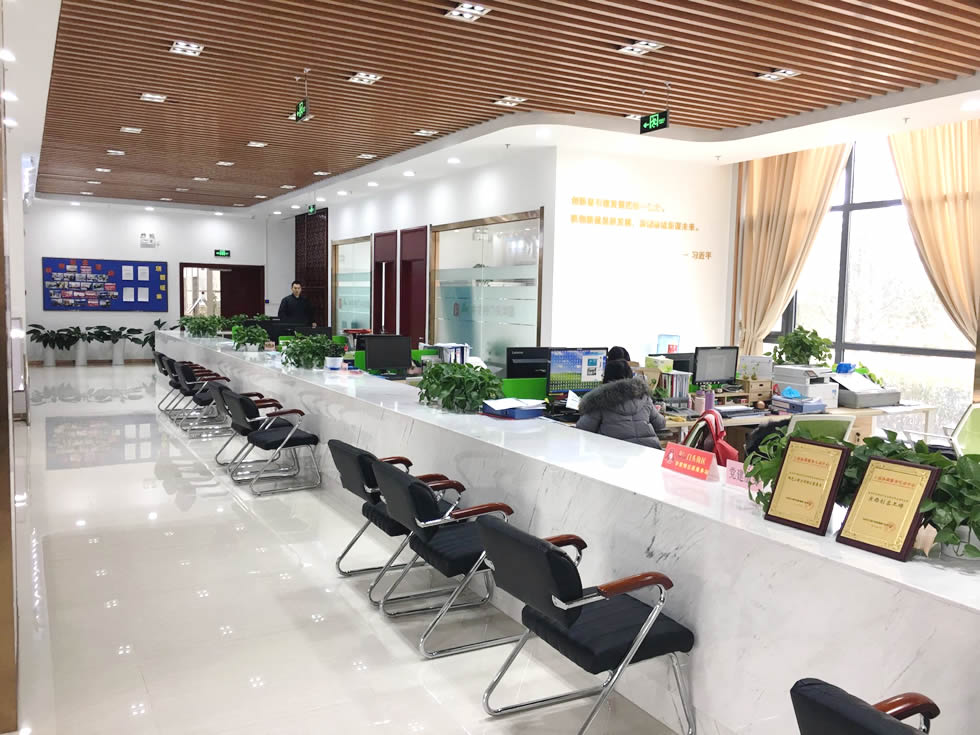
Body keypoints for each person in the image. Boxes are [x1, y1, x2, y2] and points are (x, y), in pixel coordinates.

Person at [575, 359, 666, 449]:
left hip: (616, 452)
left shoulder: (599, 400)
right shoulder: (643, 397)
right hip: (648, 451)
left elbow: (582, 428)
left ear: (606, 377)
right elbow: (660, 424)